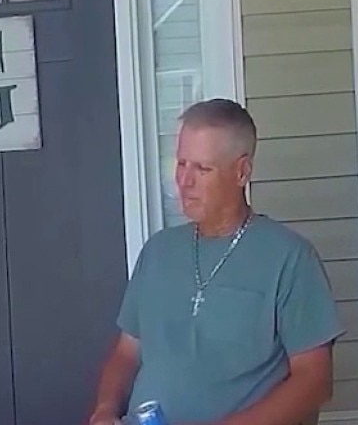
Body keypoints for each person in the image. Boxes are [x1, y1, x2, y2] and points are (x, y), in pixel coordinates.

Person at [89, 99, 343, 425]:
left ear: (241, 172)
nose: (184, 181)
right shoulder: (158, 252)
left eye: (202, 168)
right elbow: (127, 352)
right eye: (181, 164)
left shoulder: (288, 258)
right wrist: (105, 409)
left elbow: (314, 380)